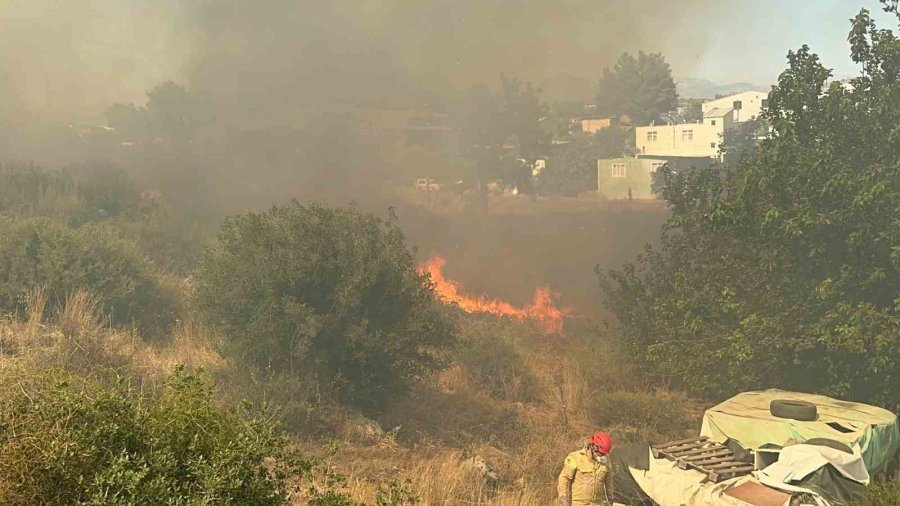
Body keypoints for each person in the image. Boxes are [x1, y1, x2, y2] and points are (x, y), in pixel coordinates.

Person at [557, 432, 614, 506]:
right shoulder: (575, 458)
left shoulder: (605, 461)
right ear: (593, 447)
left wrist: (610, 498)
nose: (603, 456)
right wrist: (563, 498)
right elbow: (564, 478)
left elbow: (609, 480)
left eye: (604, 454)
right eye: (601, 453)